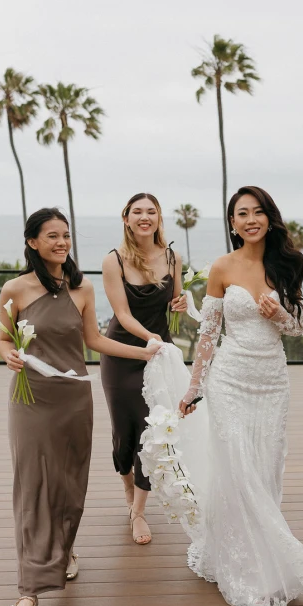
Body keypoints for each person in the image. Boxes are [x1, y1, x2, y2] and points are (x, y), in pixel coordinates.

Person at [178, 185, 303, 606]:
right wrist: (195, 387)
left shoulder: (289, 263)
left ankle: (255, 553)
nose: (250, 219)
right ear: (232, 223)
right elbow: (208, 332)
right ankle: (248, 569)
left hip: (272, 382)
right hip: (229, 380)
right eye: (241, 213)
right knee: (238, 468)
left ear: (269, 217)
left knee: (263, 470)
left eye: (258, 212)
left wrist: (279, 315)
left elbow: (299, 328)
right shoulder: (221, 267)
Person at [0, 208, 162, 606]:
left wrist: (145, 351)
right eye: (52, 236)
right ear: (33, 242)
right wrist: (8, 355)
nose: (62, 242)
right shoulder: (14, 289)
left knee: (70, 487)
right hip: (31, 400)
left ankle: (65, 549)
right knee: (33, 488)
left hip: (74, 401)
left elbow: (95, 340)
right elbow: (2, 337)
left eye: (66, 235)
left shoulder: (82, 287)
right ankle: (29, 591)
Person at [101, 193, 186, 545]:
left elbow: (176, 303)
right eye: (137, 212)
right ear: (126, 218)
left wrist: (181, 304)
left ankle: (138, 511)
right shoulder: (113, 260)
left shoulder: (172, 257)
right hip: (123, 355)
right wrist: (148, 339)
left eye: (151, 212)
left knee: (154, 435)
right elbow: (122, 314)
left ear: (159, 218)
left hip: (158, 354)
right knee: (124, 434)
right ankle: (126, 486)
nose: (144, 217)